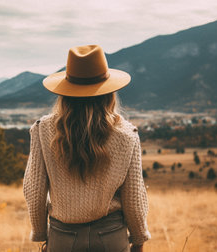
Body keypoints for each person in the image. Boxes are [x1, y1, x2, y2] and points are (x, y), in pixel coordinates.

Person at [23, 45, 151, 252]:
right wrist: (138, 240)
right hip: (111, 239)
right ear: (109, 93)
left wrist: (41, 234)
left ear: (65, 92)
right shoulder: (127, 135)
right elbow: (134, 196)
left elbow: (34, 191)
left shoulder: (42, 130)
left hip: (62, 238)